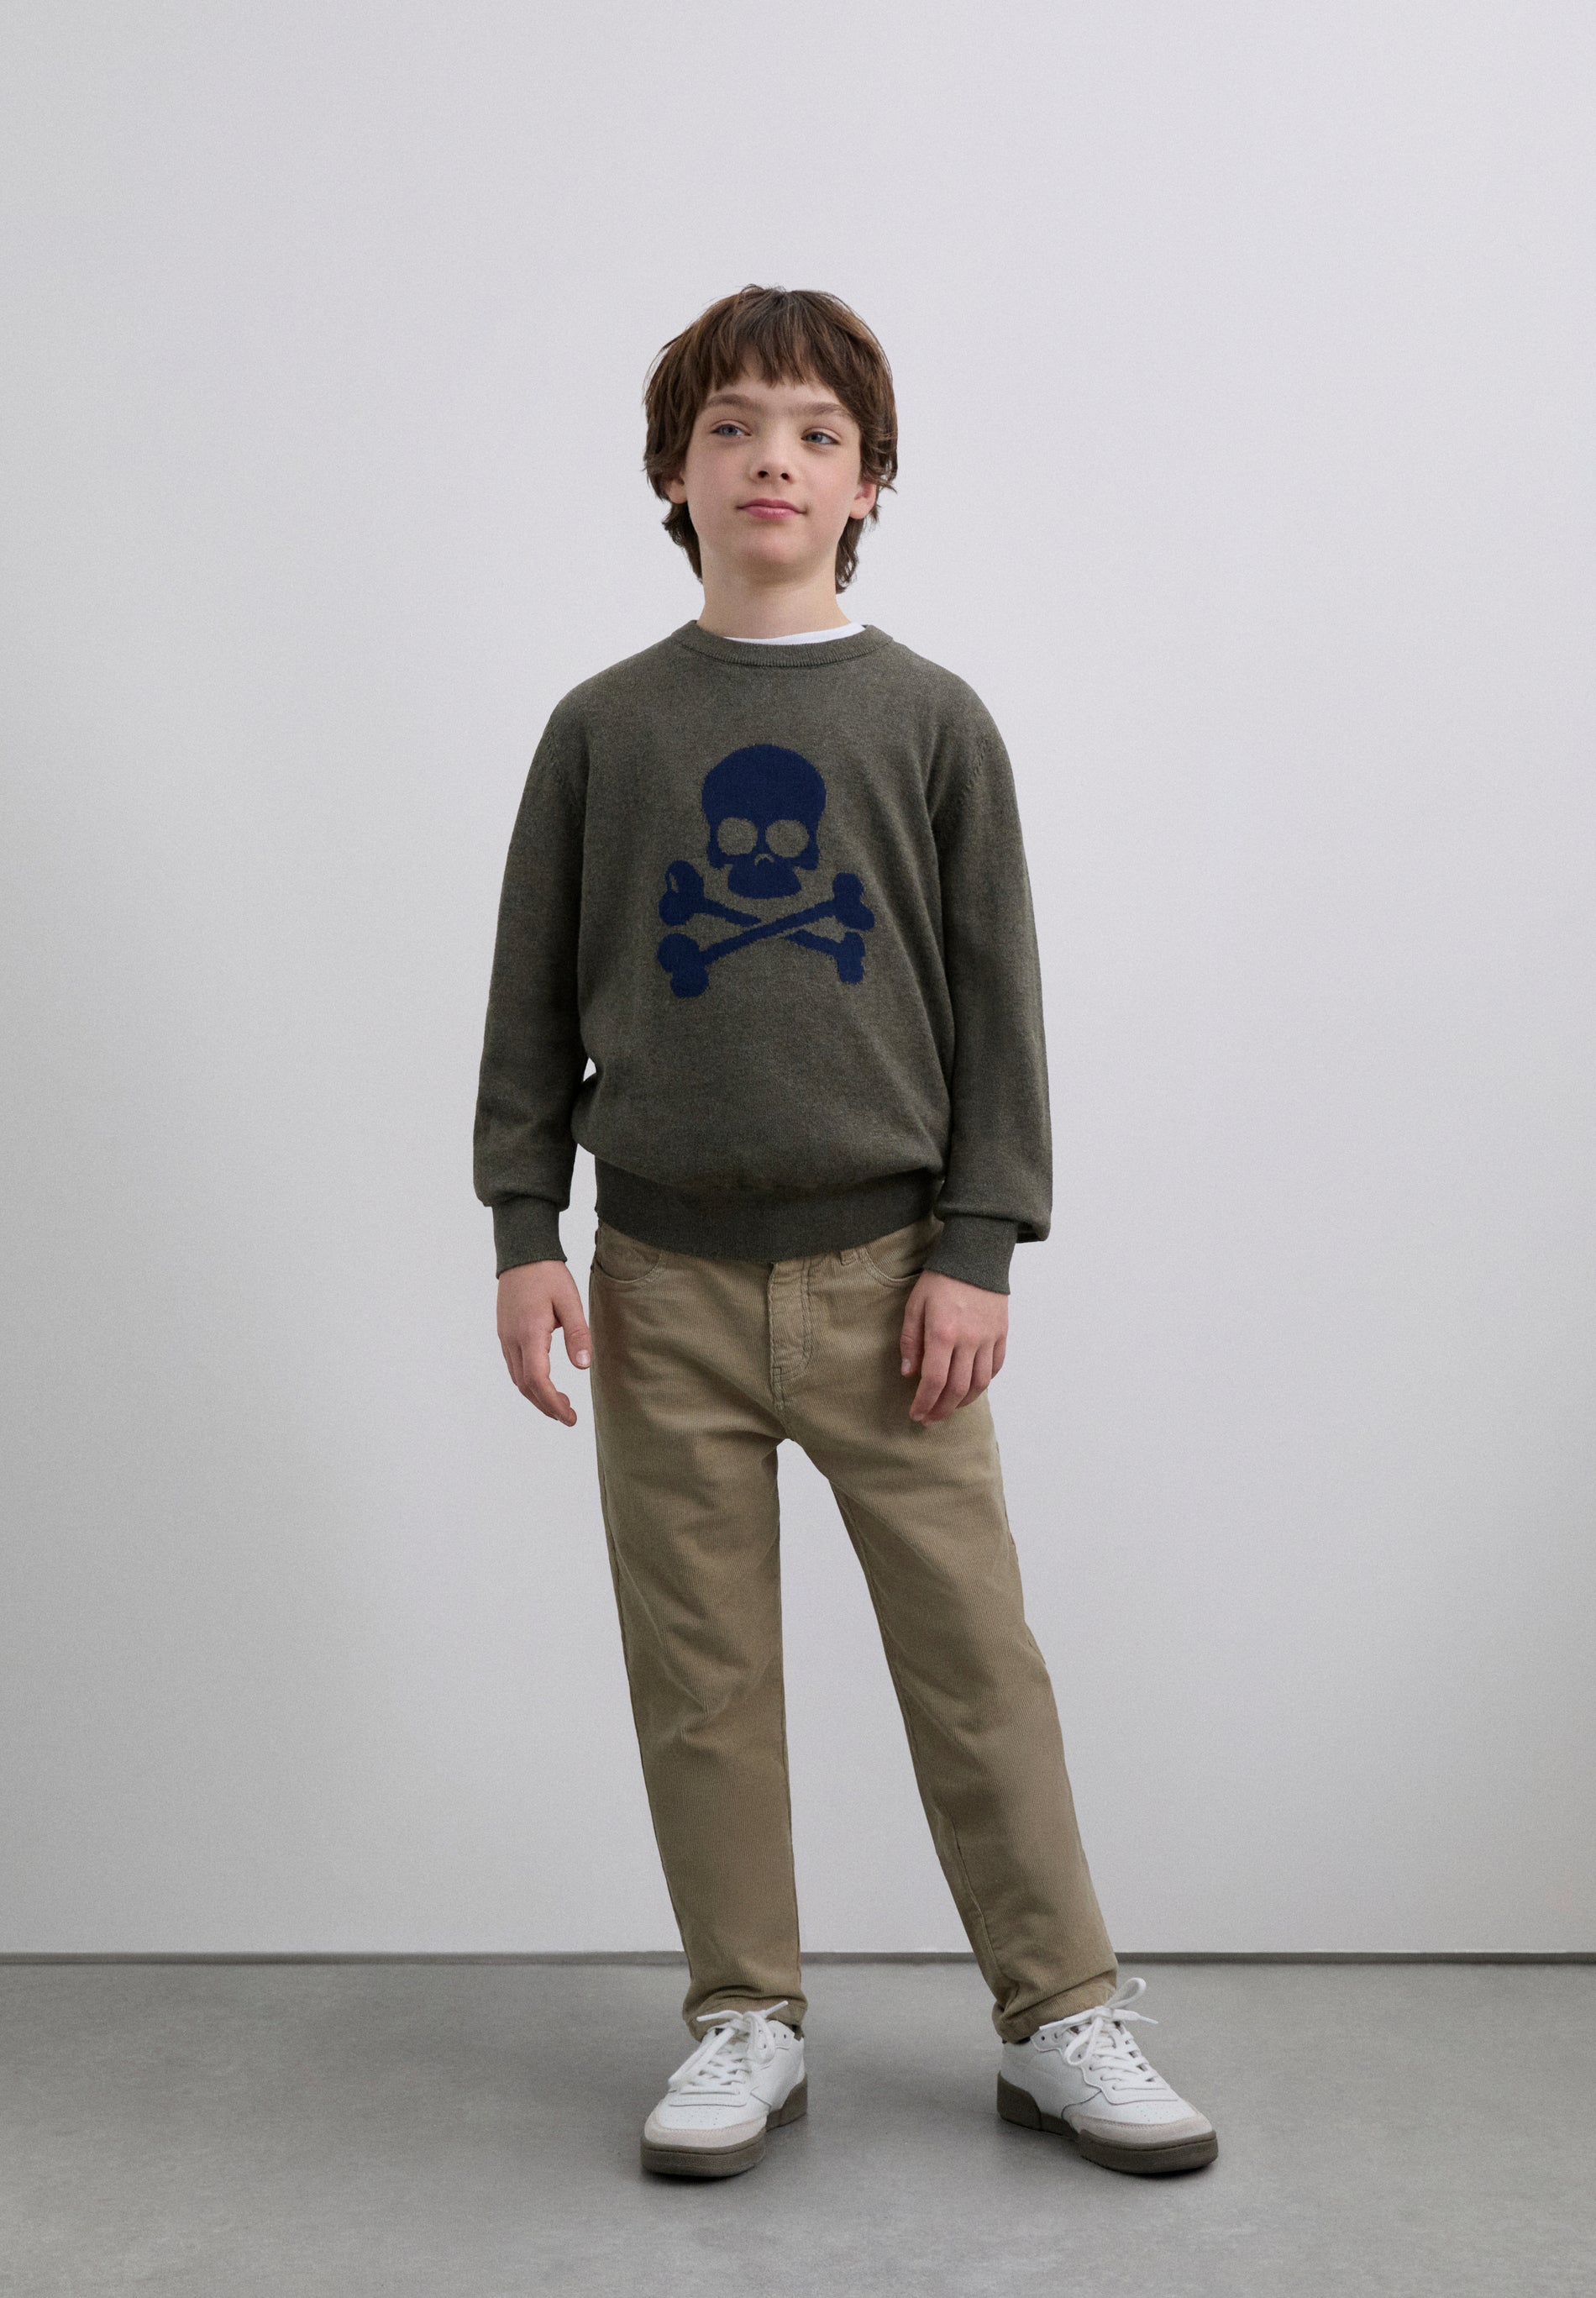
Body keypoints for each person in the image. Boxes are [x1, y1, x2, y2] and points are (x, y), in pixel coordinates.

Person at [473, 284, 1216, 2181]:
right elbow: (529, 997)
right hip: (655, 1285)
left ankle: (1057, 2011)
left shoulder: (930, 721)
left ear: (869, 478)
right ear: (672, 471)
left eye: (813, 431)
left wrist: (980, 1242)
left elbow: (999, 1003)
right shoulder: (602, 729)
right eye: (730, 427)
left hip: (895, 1287)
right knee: (701, 1672)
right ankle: (744, 2014)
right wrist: (522, 1223)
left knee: (974, 1657)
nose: (771, 460)